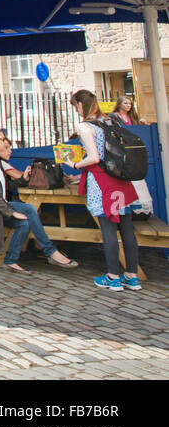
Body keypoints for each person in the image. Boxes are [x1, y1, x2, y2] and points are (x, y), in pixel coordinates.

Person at [0, 127, 77, 273]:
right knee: (28, 210)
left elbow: (5, 187)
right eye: (2, 139)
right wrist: (11, 212)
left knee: (25, 221)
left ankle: (11, 260)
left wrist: (23, 180)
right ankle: (50, 252)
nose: (5, 143)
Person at [71, 89, 143, 292]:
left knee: (109, 229)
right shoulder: (110, 121)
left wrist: (75, 164)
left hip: (101, 182)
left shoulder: (85, 126)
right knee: (127, 228)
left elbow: (94, 157)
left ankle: (113, 277)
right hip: (120, 178)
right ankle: (132, 276)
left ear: (79, 104)